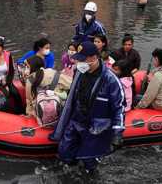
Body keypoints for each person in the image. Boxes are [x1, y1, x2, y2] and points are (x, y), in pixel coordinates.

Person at [50, 41, 125, 174]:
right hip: (76, 119)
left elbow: (118, 108)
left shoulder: (110, 80)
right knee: (64, 152)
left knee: (89, 162)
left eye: (82, 59)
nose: (79, 63)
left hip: (96, 126)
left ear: (94, 58)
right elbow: (73, 96)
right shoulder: (79, 72)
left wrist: (117, 133)